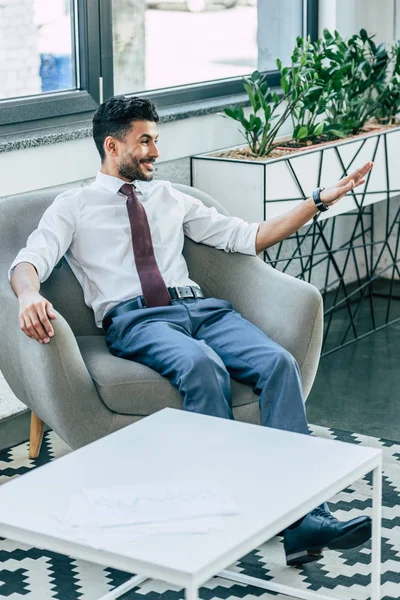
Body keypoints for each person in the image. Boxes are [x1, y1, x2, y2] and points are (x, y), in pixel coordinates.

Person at [9, 96, 374, 567]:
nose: (155, 152)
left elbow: (248, 236)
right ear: (111, 145)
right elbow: (28, 261)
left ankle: (305, 519)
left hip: (200, 308)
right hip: (136, 319)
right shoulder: (74, 206)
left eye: (157, 141)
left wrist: (317, 202)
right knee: (203, 367)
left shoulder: (170, 198)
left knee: (277, 363)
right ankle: (217, 517)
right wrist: (28, 296)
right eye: (145, 141)